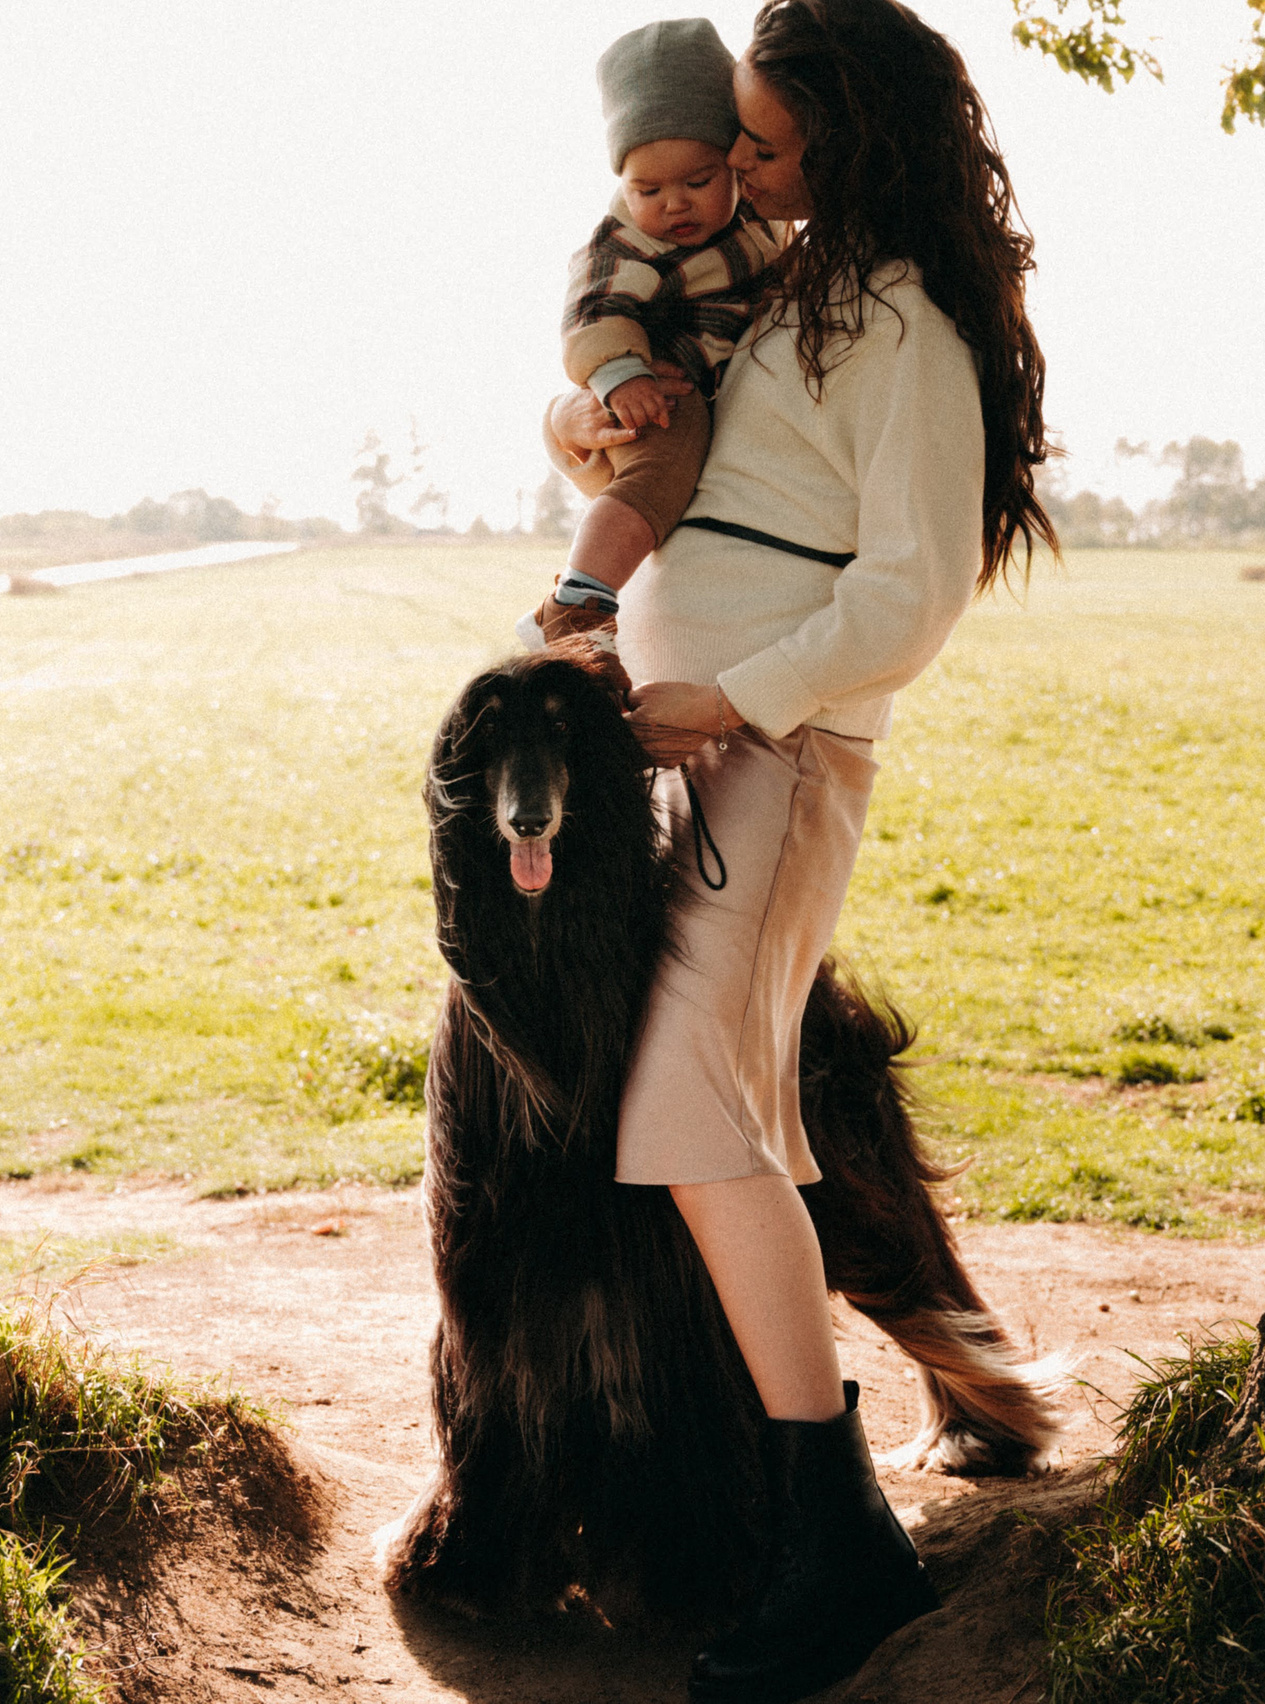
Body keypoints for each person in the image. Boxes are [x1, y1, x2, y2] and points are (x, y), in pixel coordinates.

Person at [536, 2, 1057, 1699]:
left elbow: (914, 590)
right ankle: (807, 1507)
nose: (737, 167)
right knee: (715, 1110)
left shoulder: (899, 322)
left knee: (700, 1112)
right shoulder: (796, 294)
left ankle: (836, 1540)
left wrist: (736, 698)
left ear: (852, 141)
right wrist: (581, 424)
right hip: (706, 748)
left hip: (776, 749)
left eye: (763, 144)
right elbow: (684, 450)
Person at [537, 18, 787, 640]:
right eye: (647, 188)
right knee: (659, 471)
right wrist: (621, 376)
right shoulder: (626, 242)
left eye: (698, 182)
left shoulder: (761, 219)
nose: (674, 203)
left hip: (709, 389)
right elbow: (593, 311)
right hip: (658, 391)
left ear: (735, 164)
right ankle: (578, 602)